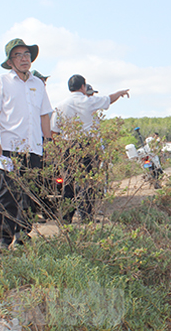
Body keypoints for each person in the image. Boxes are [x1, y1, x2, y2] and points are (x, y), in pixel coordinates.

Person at [0, 39, 53, 253]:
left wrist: (48, 143)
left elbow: (44, 115)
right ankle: (2, 240)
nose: (24, 58)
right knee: (8, 193)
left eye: (27, 54)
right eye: (19, 55)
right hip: (10, 146)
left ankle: (23, 235)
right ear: (10, 61)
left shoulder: (38, 84)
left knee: (30, 193)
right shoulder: (1, 81)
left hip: (33, 147)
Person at [51, 74, 129, 222]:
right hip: (88, 144)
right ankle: (86, 217)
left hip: (68, 145)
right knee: (88, 181)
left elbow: (54, 131)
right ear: (83, 87)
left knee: (69, 182)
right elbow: (109, 99)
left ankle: (65, 218)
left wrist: (61, 149)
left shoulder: (59, 106)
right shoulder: (89, 101)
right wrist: (120, 92)